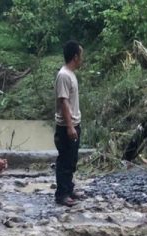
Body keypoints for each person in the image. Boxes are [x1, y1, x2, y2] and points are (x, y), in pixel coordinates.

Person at [53, 40, 84, 207]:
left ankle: (69, 188)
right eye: (81, 55)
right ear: (75, 57)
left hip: (73, 124)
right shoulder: (64, 75)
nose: (82, 59)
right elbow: (63, 102)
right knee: (65, 161)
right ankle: (62, 194)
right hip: (66, 127)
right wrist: (70, 126)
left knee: (71, 160)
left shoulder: (70, 74)